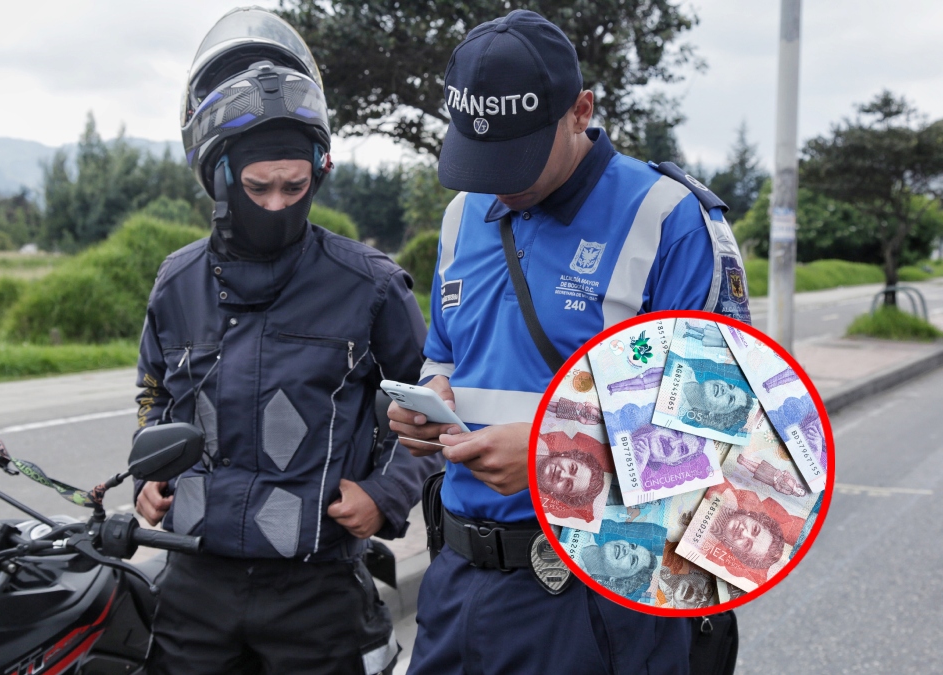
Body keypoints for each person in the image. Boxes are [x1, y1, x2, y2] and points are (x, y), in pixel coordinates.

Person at [390, 9, 751, 674]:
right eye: (481, 154)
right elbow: (447, 352)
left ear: (581, 110)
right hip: (459, 583)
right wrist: (428, 396)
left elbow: (725, 431)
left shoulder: (668, 220)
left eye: (519, 155)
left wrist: (554, 453)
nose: (499, 179)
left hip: (599, 594)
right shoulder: (461, 214)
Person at [132, 9, 433, 674]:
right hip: (193, 586)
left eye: (294, 186)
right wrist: (150, 477)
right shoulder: (176, 282)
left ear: (318, 173)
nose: (276, 204)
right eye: (257, 186)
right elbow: (154, 393)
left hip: (317, 590)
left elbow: (434, 412)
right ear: (217, 179)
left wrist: (385, 495)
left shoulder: (373, 286)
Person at [712, 507, 786, 570]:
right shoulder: (728, 495)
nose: (744, 533)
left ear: (736, 550)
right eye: (755, 530)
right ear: (754, 517)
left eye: (747, 544)